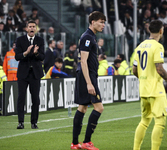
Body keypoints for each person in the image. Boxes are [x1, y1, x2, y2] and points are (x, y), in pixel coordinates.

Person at [133, 20, 167, 150]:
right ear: (161, 31)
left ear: (149, 30)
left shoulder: (140, 46)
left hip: (143, 89)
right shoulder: (158, 46)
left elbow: (134, 70)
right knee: (160, 122)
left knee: (144, 121)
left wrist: (145, 79)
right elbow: (160, 69)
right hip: (156, 90)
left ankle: (136, 149)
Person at [71, 11, 106, 150]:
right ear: (92, 22)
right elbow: (83, 62)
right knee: (99, 107)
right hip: (87, 76)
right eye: (100, 22)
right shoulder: (87, 37)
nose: (103, 25)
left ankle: (74, 144)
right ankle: (86, 142)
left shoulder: (91, 37)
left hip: (87, 75)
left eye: (104, 22)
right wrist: (89, 83)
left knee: (82, 107)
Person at [15, 20, 45, 129]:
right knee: (21, 98)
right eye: (30, 26)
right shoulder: (20, 40)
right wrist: (26, 53)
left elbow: (42, 56)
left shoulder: (40, 40)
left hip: (35, 74)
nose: (32, 28)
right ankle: (21, 122)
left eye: (33, 26)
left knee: (35, 99)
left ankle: (34, 122)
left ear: (36, 28)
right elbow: (17, 56)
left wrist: (36, 53)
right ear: (26, 28)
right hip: (23, 74)